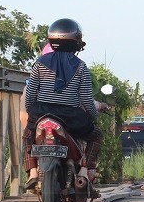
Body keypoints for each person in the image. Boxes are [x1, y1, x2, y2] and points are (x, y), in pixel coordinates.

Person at [22, 18, 103, 192]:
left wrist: (32, 114)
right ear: (76, 43)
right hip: (71, 118)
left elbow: (30, 94)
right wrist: (93, 118)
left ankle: (33, 172)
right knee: (96, 135)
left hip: (41, 113)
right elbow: (87, 100)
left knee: (28, 134)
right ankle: (83, 171)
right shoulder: (81, 67)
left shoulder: (39, 64)